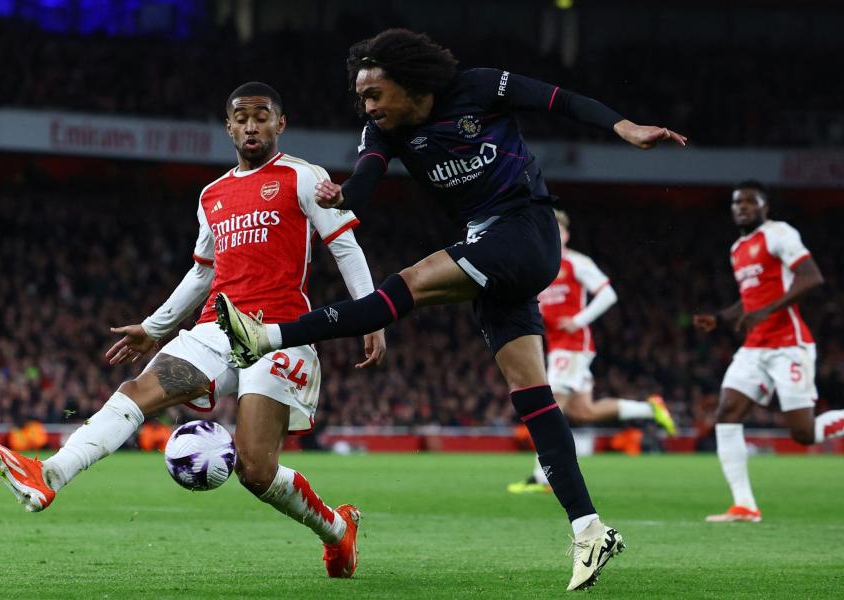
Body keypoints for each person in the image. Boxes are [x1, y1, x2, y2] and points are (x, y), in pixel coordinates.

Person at [216, 28, 686, 591]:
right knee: (534, 398)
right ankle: (589, 530)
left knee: (402, 287)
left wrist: (622, 126)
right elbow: (367, 174)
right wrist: (346, 195)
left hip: (524, 229)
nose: (367, 107)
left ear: (408, 84)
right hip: (490, 251)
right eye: (361, 97)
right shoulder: (383, 129)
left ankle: (268, 336)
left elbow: (558, 99)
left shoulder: (480, 87)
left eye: (375, 94)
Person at [0, 81, 386, 578]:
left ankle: (338, 531)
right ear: (228, 127)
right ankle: (49, 475)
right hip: (217, 327)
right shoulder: (212, 195)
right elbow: (203, 273)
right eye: (242, 117)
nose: (252, 125)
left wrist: (372, 313)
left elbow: (344, 246)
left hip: (281, 331)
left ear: (281, 124)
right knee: (136, 391)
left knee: (255, 471)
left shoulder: (304, 178)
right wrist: (155, 328)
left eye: (262, 116)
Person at [693, 180, 844, 523]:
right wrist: (720, 318)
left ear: (766, 206)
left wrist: (769, 310)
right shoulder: (737, 249)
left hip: (789, 344)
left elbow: (811, 277)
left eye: (750, 201)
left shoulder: (779, 234)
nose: (742, 207)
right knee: (727, 413)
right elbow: (749, 301)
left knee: (803, 434)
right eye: (736, 202)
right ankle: (745, 505)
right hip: (755, 347)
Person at [508, 209, 677, 494]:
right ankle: (649, 408)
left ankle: (542, 477)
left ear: (567, 235)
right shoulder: (539, 268)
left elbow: (608, 294)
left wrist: (579, 320)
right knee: (584, 411)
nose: (554, 236)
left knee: (548, 406)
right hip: (558, 346)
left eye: (559, 231)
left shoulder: (576, 263)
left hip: (573, 346)